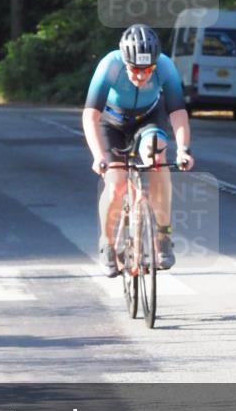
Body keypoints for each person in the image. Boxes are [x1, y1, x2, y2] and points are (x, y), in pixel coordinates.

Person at [82, 24, 195, 277]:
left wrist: (184, 149)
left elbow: (177, 113)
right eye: (135, 69)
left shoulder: (165, 66)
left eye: (147, 70)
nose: (141, 76)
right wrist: (98, 156)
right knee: (117, 185)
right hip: (111, 123)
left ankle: (163, 235)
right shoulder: (109, 66)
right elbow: (90, 116)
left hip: (148, 120)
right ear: (125, 61)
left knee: (157, 155)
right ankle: (108, 244)